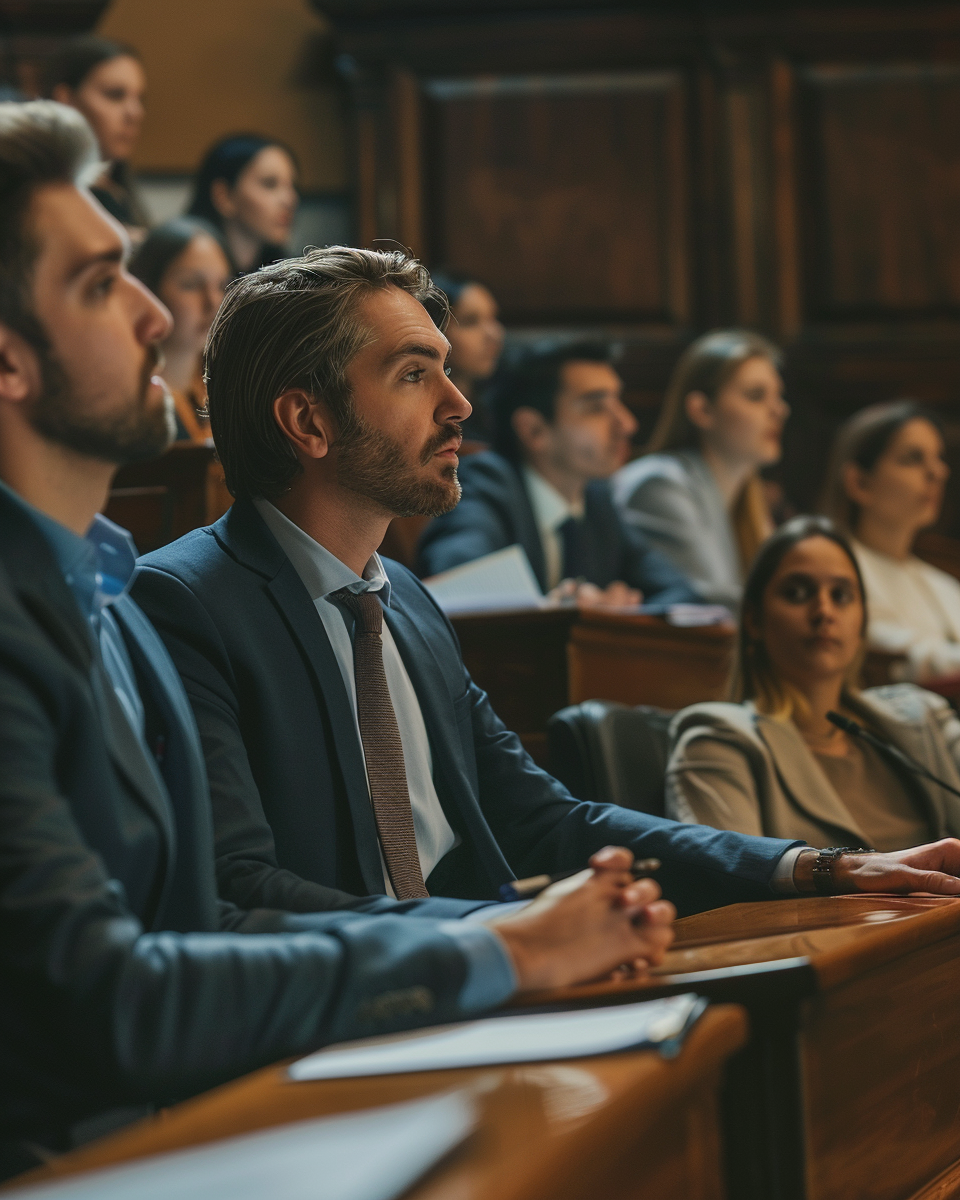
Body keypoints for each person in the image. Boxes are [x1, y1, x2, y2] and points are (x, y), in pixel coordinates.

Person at [0, 100, 680, 1180]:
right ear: (10, 362)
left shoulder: (109, 597)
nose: (151, 316)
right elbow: (109, 996)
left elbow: (207, 932)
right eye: (98, 283)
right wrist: (490, 948)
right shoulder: (150, 602)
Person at [130, 248, 960, 934]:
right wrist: (505, 938)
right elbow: (238, 889)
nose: (459, 405)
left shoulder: (408, 604)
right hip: (333, 1034)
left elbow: (549, 821)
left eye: (447, 373)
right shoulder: (183, 602)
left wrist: (815, 866)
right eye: (415, 375)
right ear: (308, 423)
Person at [666, 516, 960, 849]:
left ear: (862, 620)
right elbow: (734, 886)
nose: (824, 611)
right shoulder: (718, 740)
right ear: (754, 620)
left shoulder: (924, 716)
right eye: (797, 592)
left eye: (841, 595)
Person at [416, 342, 699, 607]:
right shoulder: (487, 484)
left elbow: (681, 595)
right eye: (596, 407)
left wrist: (623, 613)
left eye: (618, 401)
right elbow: (459, 586)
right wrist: (562, 610)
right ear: (533, 430)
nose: (627, 424)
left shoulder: (596, 499)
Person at [612, 330, 788, 608]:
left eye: (778, 396)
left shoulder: (751, 502)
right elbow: (711, 602)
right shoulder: (658, 485)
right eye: (756, 396)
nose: (779, 410)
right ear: (701, 410)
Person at [821, 400, 960, 682]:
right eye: (913, 458)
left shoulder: (943, 585)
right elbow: (895, 656)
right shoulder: (833, 571)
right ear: (859, 482)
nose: (937, 472)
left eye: (938, 458)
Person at [129, 217, 232, 443]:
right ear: (147, 290)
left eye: (222, 286)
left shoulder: (232, 389)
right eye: (191, 284)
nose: (213, 301)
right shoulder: (128, 406)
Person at [48, 35, 148, 232]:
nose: (135, 113)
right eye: (115, 95)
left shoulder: (119, 192)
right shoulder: (39, 195)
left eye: (140, 98)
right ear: (66, 100)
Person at [187, 134, 298, 275]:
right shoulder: (184, 265)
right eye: (270, 184)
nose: (290, 200)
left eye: (292, 186)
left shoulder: (295, 274)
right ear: (224, 196)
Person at [430, 270, 504, 442]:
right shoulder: (429, 418)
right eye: (471, 321)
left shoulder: (500, 403)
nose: (494, 334)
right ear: (435, 329)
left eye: (493, 318)